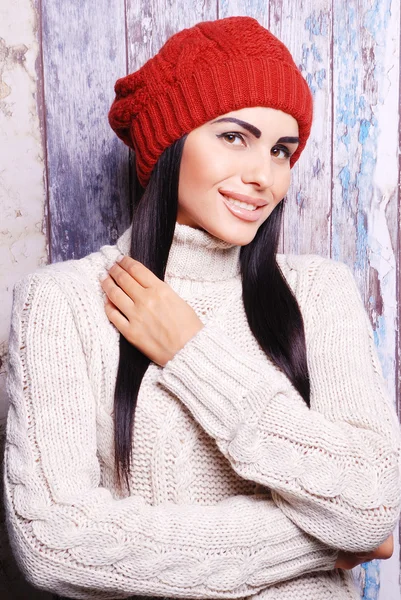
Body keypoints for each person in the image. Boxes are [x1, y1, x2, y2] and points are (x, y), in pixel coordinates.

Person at [4, 15, 401, 600]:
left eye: (281, 150)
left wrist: (191, 353)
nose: (262, 176)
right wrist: (330, 536)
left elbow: (375, 501)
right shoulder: (62, 303)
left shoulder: (320, 293)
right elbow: (54, 542)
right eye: (234, 137)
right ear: (170, 143)